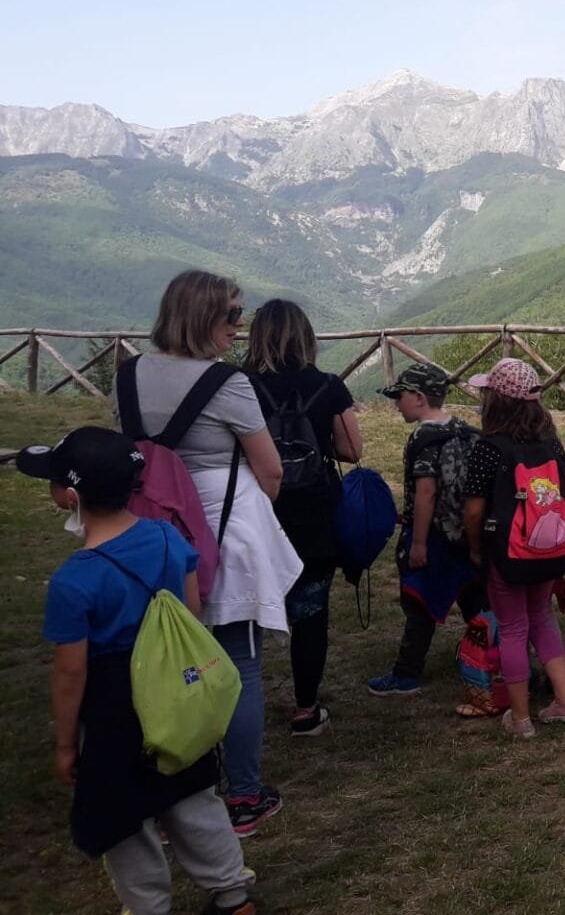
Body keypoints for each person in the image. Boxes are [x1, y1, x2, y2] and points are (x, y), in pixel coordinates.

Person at [24, 427, 255, 915]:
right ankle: (233, 895)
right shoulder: (168, 536)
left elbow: (70, 674)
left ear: (70, 497)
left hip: (113, 713)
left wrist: (66, 744)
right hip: (175, 693)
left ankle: (148, 906)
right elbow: (191, 609)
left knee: (123, 817)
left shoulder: (74, 581)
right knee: (193, 793)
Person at [122, 270, 297, 837]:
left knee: (161, 653)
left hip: (147, 533)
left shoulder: (128, 377)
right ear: (202, 319)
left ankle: (170, 776)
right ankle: (244, 793)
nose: (239, 326)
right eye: (230, 316)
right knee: (239, 661)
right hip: (223, 527)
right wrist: (250, 508)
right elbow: (269, 469)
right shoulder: (227, 384)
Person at [242, 299, 362, 738]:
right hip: (314, 511)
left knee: (245, 609)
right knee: (310, 610)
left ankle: (240, 705)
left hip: (255, 510)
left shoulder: (240, 385)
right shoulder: (328, 386)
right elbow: (352, 450)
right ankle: (306, 707)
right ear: (305, 336)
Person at [460, 358, 565, 737]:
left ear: (495, 400)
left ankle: (521, 718)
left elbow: (474, 511)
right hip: (549, 548)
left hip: (508, 553)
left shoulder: (488, 448)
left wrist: (476, 549)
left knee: (513, 627)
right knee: (542, 618)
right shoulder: (550, 444)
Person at [367, 363, 484, 697]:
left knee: (419, 605)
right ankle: (496, 658)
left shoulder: (423, 437)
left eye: (399, 397)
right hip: (467, 533)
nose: (395, 404)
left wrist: (418, 542)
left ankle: (406, 674)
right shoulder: (466, 431)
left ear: (419, 398)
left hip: (434, 538)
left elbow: (426, 492)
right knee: (476, 600)